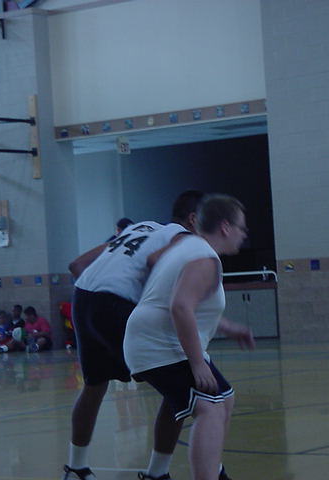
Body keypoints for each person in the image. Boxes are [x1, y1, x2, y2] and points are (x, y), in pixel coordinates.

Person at [63, 190, 210, 480]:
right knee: (182, 386)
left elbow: (76, 266)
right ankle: (157, 473)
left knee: (94, 385)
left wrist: (102, 304)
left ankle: (76, 469)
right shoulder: (184, 238)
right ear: (194, 220)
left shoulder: (139, 227)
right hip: (117, 303)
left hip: (83, 298)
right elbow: (155, 262)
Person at [124, 194, 255, 480]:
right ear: (225, 227)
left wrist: (227, 327)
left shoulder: (192, 247)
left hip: (156, 338)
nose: (244, 234)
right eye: (241, 228)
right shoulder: (204, 258)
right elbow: (180, 306)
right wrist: (197, 363)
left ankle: (204, 470)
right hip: (158, 344)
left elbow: (188, 303)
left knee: (224, 398)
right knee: (210, 407)